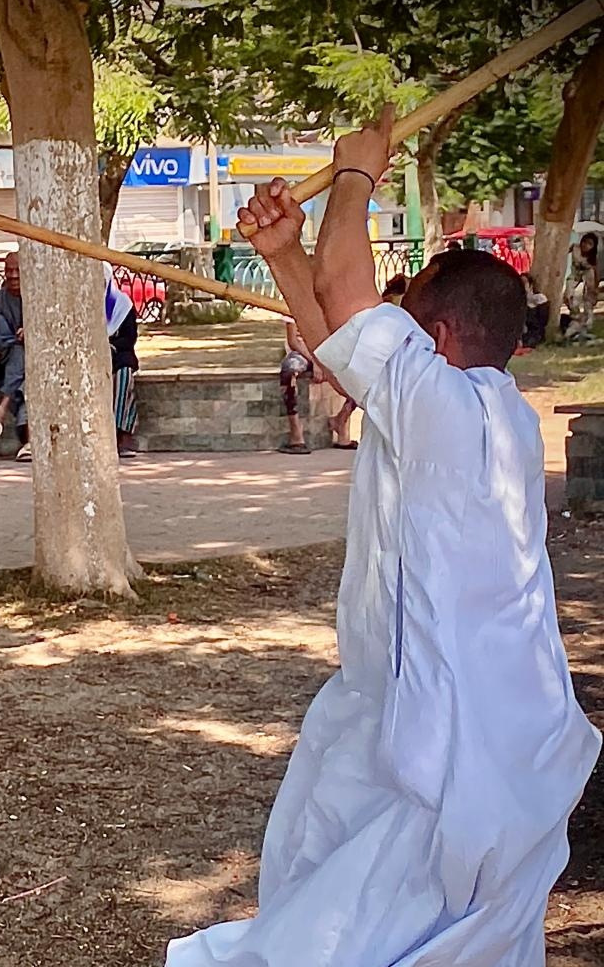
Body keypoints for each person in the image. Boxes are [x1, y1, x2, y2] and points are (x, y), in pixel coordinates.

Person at [167, 110, 600, 966]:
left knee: (359, 932)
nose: (388, 320)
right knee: (366, 892)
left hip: (451, 740)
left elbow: (350, 299)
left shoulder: (441, 406)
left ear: (434, 339)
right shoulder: (482, 410)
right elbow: (339, 348)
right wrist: (286, 251)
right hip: (436, 713)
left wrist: (358, 175)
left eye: (409, 306)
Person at [278, 319, 356, 454]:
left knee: (361, 368)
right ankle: (296, 435)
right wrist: (315, 361)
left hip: (326, 351)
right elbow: (293, 341)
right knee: (288, 370)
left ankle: (341, 420)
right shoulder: (293, 303)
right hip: (302, 354)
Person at [0, 252, 30, 462]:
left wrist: (34, 332)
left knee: (30, 380)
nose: (13, 276)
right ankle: (29, 440)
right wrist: (24, 339)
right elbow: (5, 341)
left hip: (38, 360)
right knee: (21, 356)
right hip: (8, 358)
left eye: (18, 270)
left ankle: (1, 412)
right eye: (9, 270)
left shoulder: (38, 297)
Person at [105, 264, 139, 458]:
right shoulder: (84, 304)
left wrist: (110, 345)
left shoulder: (122, 304)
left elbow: (130, 337)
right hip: (91, 356)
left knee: (123, 378)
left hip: (119, 355)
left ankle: (120, 433)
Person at [565, 232, 599, 340]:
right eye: (585, 242)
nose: (586, 245)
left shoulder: (592, 258)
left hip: (587, 276)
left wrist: (594, 288)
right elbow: (563, 253)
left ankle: (586, 323)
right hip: (575, 275)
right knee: (568, 295)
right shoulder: (575, 248)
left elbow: (593, 274)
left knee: (588, 300)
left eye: (590, 244)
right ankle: (575, 317)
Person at [521, 271, 550, 349]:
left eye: (524, 283)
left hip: (535, 333)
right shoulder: (518, 301)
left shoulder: (540, 298)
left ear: (530, 285)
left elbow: (543, 320)